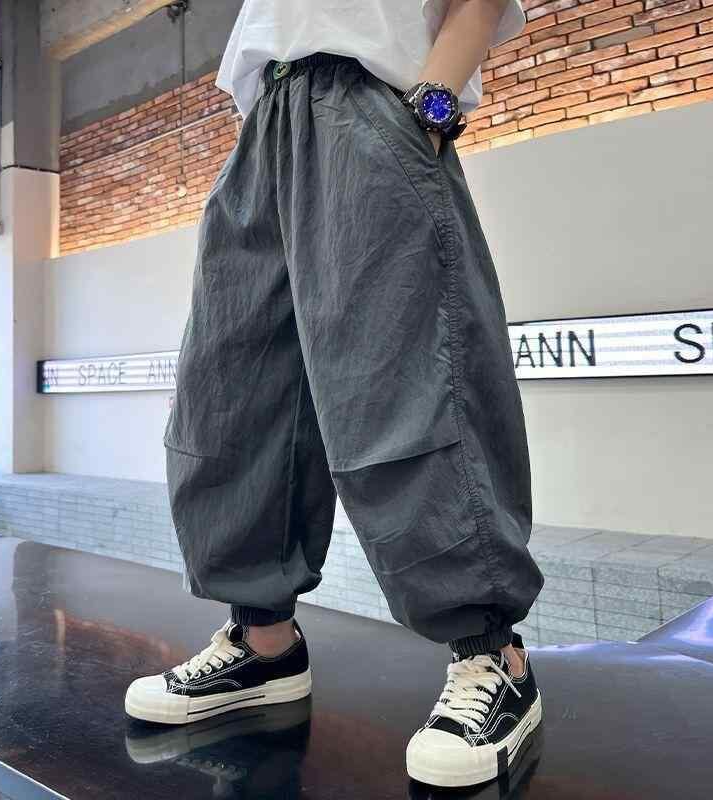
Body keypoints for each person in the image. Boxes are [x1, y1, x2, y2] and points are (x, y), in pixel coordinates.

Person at [125, 0, 545, 788]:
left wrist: (428, 111)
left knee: (408, 378)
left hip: (367, 105)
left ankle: (494, 656)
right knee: (233, 393)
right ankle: (264, 645)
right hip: (266, 123)